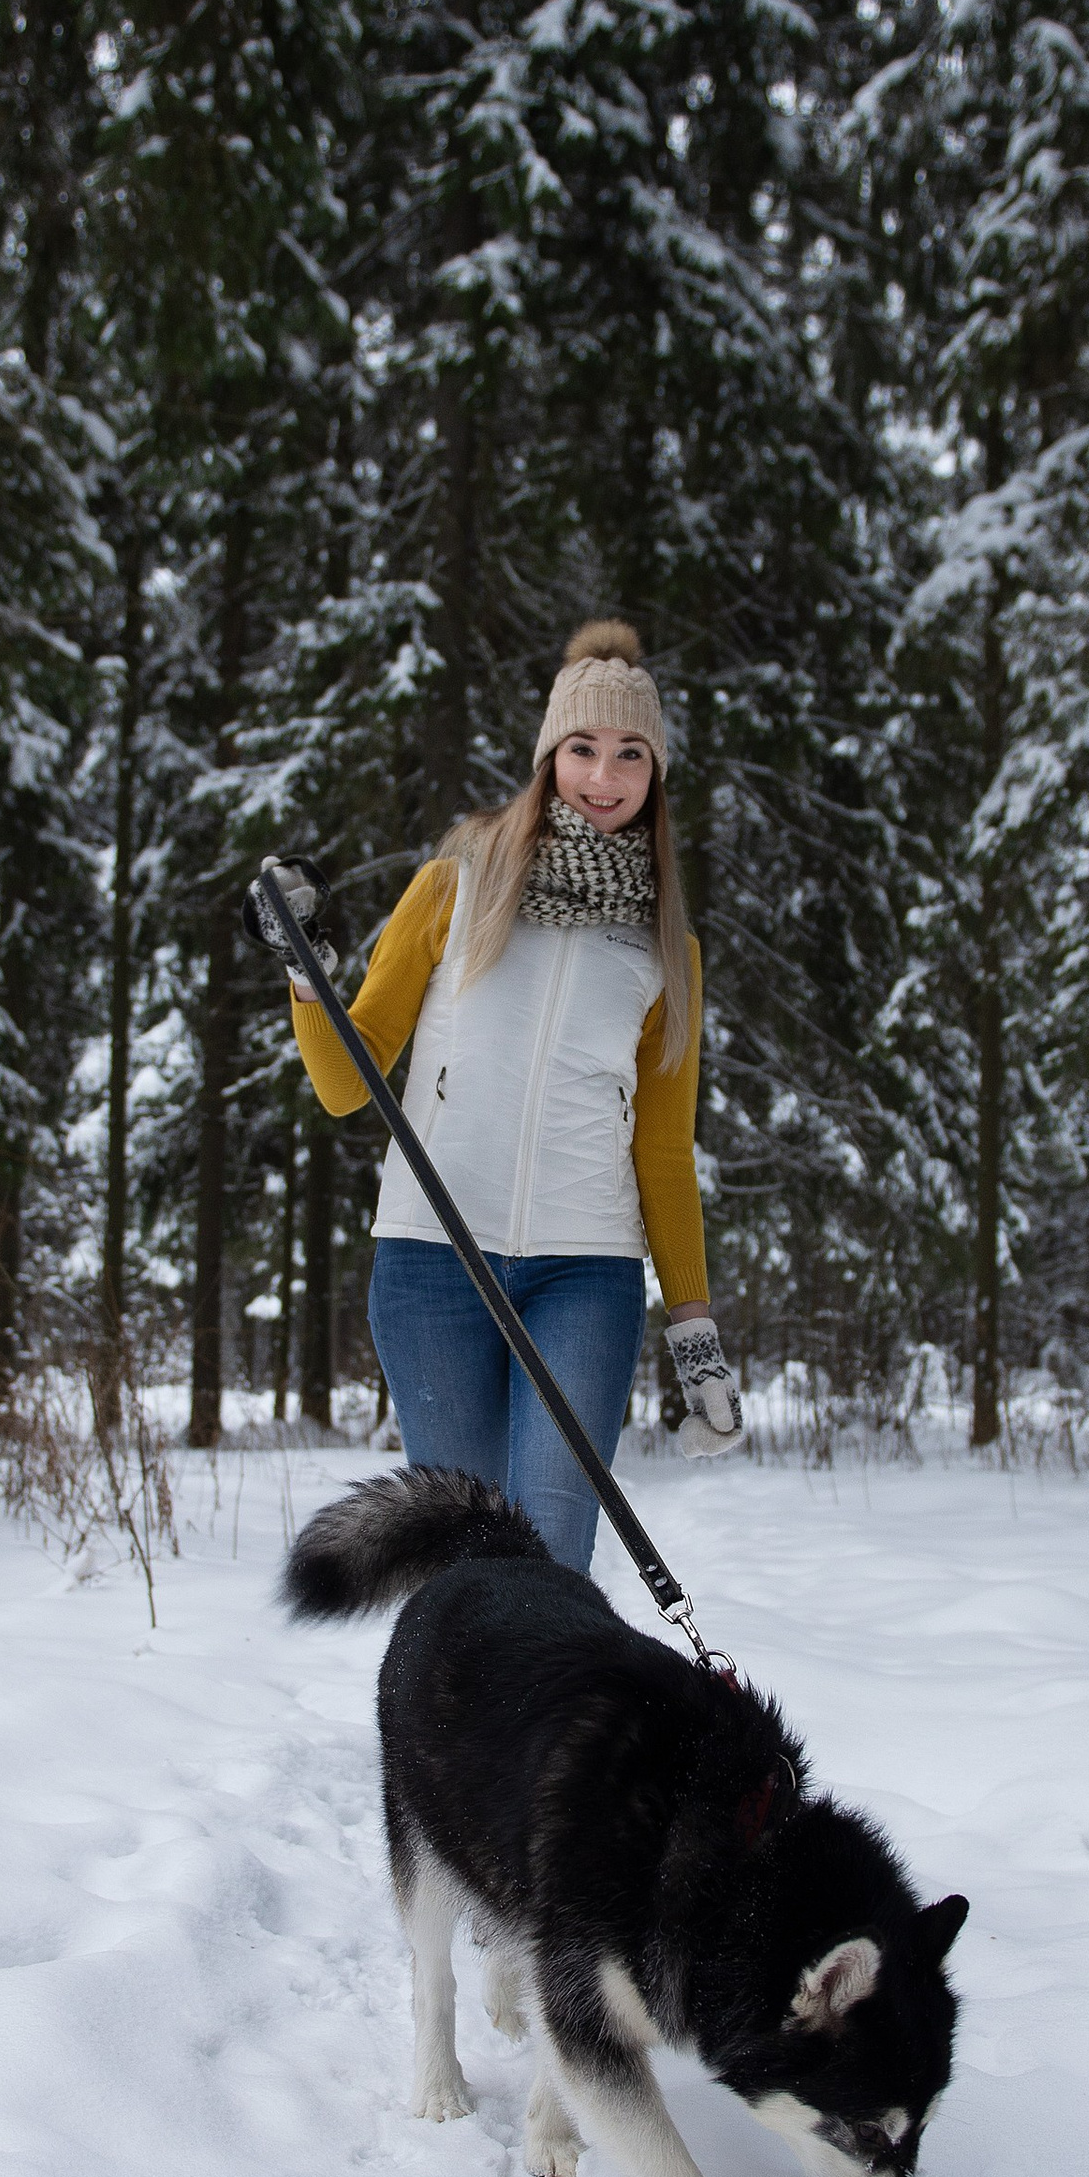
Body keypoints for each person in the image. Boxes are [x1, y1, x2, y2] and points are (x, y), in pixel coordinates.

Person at [271, 621, 745, 1572]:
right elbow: (342, 1078)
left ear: (656, 775)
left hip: (585, 1273)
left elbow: (661, 1149)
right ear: (548, 755)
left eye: (629, 755)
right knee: (461, 1559)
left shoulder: (667, 948)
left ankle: (542, 1726)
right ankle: (453, 1727)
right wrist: (304, 970)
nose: (602, 777)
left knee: (552, 1557)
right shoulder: (458, 886)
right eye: (581, 749)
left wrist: (693, 1329)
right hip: (431, 1261)